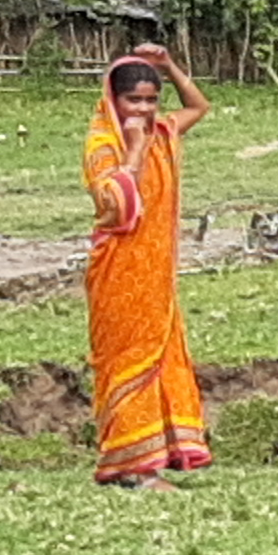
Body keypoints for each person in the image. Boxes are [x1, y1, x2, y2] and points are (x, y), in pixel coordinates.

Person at [81, 45, 213, 486]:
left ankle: (158, 457)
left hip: (156, 276)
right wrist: (134, 151)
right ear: (112, 100)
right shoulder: (104, 145)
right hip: (119, 273)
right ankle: (129, 467)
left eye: (151, 100)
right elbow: (115, 205)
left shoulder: (166, 132)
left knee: (161, 359)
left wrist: (171, 66)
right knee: (125, 361)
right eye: (133, 100)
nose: (142, 109)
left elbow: (199, 105)